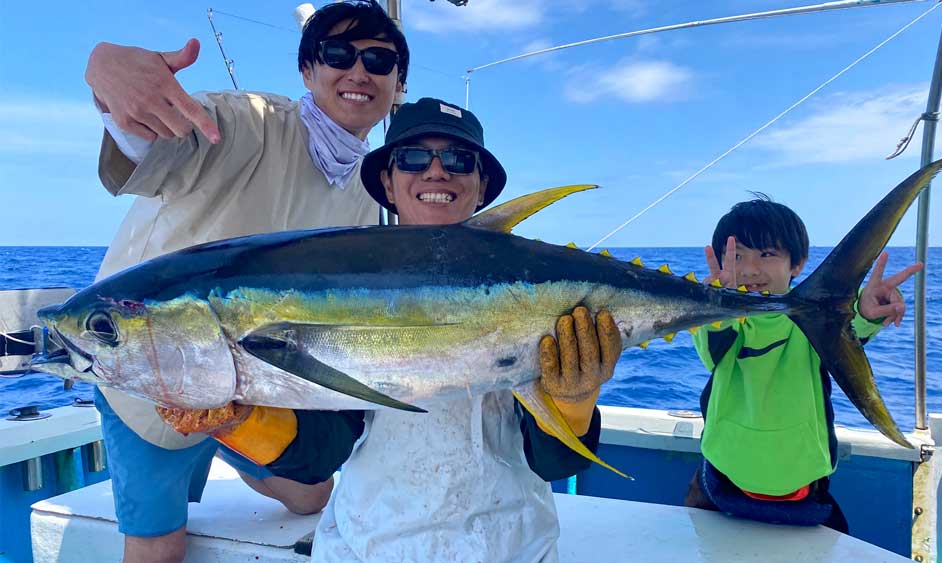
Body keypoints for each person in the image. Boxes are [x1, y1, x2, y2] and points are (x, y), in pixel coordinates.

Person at [160, 97, 622, 562]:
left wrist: (574, 403)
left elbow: (557, 462)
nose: (436, 172)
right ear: (388, 180)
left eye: (460, 160)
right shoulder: (335, 281)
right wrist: (241, 421)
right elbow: (322, 455)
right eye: (414, 158)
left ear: (482, 185)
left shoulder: (540, 292)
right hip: (371, 547)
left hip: (513, 548)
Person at [84, 2, 409, 561]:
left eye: (379, 60)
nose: (359, 72)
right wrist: (108, 78)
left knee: (312, 497)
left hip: (248, 389)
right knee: (158, 549)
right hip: (152, 381)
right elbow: (146, 147)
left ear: (397, 85)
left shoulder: (368, 189)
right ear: (308, 71)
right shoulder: (240, 122)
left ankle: (229, 449)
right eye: (338, 54)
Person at [682, 195, 923, 533]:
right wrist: (716, 306)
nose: (750, 269)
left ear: (797, 264)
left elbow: (848, 329)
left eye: (766, 254)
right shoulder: (721, 322)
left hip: (804, 491)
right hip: (720, 484)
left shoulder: (816, 322)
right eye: (737, 256)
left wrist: (864, 313)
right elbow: (713, 349)